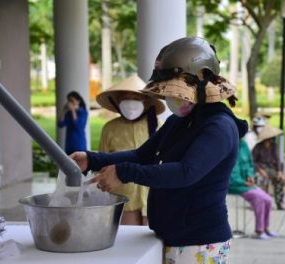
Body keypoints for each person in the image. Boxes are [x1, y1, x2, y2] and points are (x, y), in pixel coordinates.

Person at [71, 37, 248, 264]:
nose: (170, 98)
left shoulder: (219, 127)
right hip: (170, 236)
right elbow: (141, 155)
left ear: (202, 82)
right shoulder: (179, 121)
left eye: (176, 91)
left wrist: (123, 172)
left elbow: (186, 173)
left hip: (199, 242)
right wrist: (91, 159)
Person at [96, 74, 165, 225]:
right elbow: (102, 165)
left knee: (153, 243)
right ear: (117, 102)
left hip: (152, 197)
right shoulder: (110, 129)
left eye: (136, 98)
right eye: (125, 98)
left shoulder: (157, 126)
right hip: (123, 199)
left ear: (145, 102)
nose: (131, 103)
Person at [229, 139, 276, 240]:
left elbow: (250, 164)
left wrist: (250, 175)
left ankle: (265, 227)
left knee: (267, 199)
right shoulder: (229, 145)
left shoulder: (243, 144)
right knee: (258, 198)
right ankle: (259, 230)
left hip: (246, 182)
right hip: (234, 184)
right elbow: (231, 173)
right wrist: (243, 182)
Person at [252, 125, 285, 211]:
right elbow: (252, 161)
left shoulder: (274, 146)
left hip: (272, 169)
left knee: (280, 180)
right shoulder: (257, 147)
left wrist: (280, 172)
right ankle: (261, 203)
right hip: (261, 169)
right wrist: (260, 170)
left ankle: (279, 203)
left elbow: (278, 160)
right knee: (261, 180)